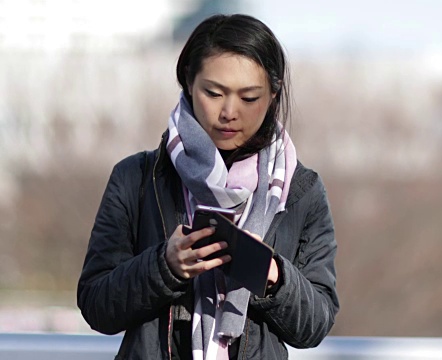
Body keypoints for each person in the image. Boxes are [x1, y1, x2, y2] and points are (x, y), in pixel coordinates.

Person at [77, 13, 339, 360]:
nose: (229, 112)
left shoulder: (300, 190)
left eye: (249, 98)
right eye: (213, 93)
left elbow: (316, 325)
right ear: (188, 82)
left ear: (274, 93)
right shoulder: (137, 177)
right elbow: (96, 304)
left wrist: (272, 275)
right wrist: (165, 267)